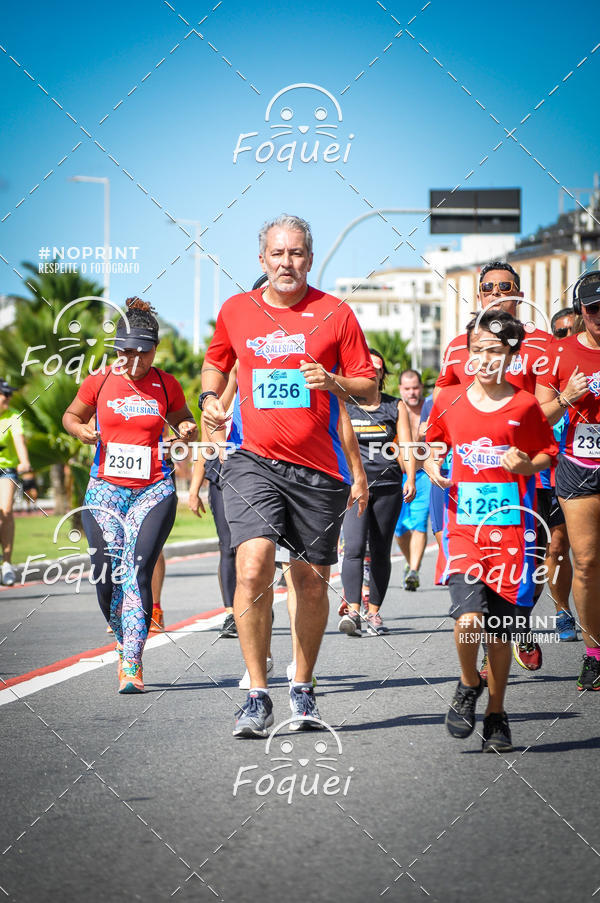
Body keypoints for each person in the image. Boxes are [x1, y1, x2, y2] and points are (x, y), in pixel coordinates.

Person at [201, 214, 376, 737]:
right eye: (277, 254)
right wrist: (211, 398)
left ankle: (302, 685)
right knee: (252, 566)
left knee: (310, 581)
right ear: (262, 260)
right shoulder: (236, 310)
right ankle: (257, 693)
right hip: (252, 460)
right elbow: (215, 362)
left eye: (296, 253)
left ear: (310, 257)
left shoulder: (335, 313)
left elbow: (367, 388)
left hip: (319, 471)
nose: (286, 262)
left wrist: (332, 380)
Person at [425, 310, 557, 751]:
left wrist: (528, 463)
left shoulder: (524, 405)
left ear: (511, 356)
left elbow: (546, 454)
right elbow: (434, 441)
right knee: (468, 618)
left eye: (495, 352)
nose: (484, 360)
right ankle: (467, 683)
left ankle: (496, 715)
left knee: (499, 631)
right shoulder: (449, 399)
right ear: (466, 354)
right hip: (464, 529)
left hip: (511, 533)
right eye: (477, 351)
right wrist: (430, 464)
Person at [63, 298, 197, 693]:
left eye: (143, 352)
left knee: (137, 570)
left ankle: (132, 663)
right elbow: (72, 416)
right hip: (104, 489)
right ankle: (124, 637)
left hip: (153, 489)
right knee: (106, 573)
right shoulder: (99, 380)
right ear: (117, 349)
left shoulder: (166, 383)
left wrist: (187, 428)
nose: (134, 360)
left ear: (155, 349)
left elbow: (182, 418)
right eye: (126, 352)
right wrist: (81, 431)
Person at [435, 261, 554, 674]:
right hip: (474, 478)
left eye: (507, 287)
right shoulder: (458, 346)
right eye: (490, 288)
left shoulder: (540, 345)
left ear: (519, 294)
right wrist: (433, 456)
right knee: (478, 570)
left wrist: (519, 434)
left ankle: (520, 623)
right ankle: (491, 652)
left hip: (530, 471)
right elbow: (443, 409)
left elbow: (548, 407)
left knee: (537, 561)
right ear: (479, 295)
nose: (498, 293)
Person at [536, 269, 600, 690]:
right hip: (580, 467)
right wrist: (567, 397)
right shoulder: (558, 354)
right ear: (581, 311)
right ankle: (594, 653)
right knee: (588, 562)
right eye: (594, 309)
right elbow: (539, 418)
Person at [338, 349, 416, 636]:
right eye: (367, 368)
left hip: (388, 486)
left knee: (381, 550)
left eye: (378, 368)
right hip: (354, 487)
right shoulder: (345, 404)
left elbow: (406, 444)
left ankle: (374, 613)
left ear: (382, 375)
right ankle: (354, 611)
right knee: (354, 548)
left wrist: (410, 476)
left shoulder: (395, 406)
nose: (373, 372)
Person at [394, 369, 429, 590]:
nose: (412, 392)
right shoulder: (396, 410)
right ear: (400, 389)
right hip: (399, 474)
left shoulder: (430, 409)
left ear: (421, 387)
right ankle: (410, 563)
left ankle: (414, 570)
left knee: (419, 523)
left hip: (425, 473)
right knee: (400, 529)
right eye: (407, 389)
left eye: (415, 387)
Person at [0, 379, 32, 585]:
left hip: (6, 470)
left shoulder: (12, 416)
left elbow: (19, 441)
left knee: (6, 510)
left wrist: (24, 461)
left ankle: (7, 564)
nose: (8, 398)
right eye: (5, 394)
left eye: (9, 395)